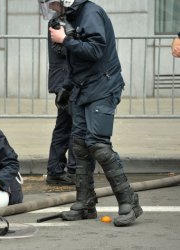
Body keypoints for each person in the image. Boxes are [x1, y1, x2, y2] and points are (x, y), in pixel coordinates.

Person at [49, 0, 143, 226]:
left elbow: (95, 50)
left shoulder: (90, 13)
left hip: (103, 86)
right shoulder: (71, 17)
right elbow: (76, 62)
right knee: (79, 144)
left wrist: (66, 39)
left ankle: (130, 202)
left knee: (98, 145)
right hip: (84, 87)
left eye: (54, 4)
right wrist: (67, 86)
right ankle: (85, 203)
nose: (52, 9)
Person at [41, 0, 76, 185]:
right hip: (65, 81)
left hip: (63, 80)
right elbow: (63, 49)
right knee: (74, 126)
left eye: (53, 3)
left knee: (64, 126)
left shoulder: (63, 19)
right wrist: (75, 39)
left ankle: (55, 170)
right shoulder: (58, 22)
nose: (51, 7)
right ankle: (73, 170)